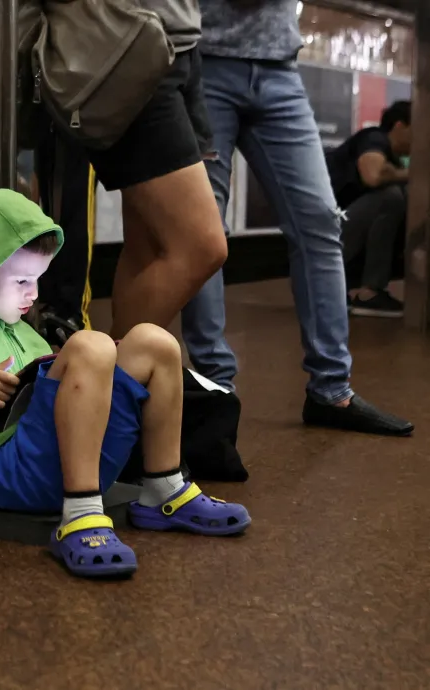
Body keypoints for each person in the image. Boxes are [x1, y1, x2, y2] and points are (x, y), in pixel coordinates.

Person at [0, 189, 250, 579]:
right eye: (22, 280)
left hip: (70, 458)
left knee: (154, 342)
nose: (34, 294)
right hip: (6, 470)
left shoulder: (23, 331)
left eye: (38, 279)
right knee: (90, 344)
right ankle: (80, 514)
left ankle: (163, 488)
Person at [179, 0, 413, 437]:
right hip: (206, 62)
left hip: (280, 70)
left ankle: (331, 389)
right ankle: (217, 388)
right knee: (205, 230)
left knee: (321, 223)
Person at [87, 0, 227, 339]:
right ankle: (103, 377)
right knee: (202, 246)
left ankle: (118, 378)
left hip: (183, 45)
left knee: (146, 247)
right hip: (128, 42)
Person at [327, 100, 411, 317]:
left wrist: (396, 173)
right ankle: (369, 292)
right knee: (391, 196)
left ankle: (362, 288)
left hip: (340, 232)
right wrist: (413, 173)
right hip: (323, 236)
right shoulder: (374, 138)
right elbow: (373, 176)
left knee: (403, 197)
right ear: (400, 126)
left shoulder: (394, 158)